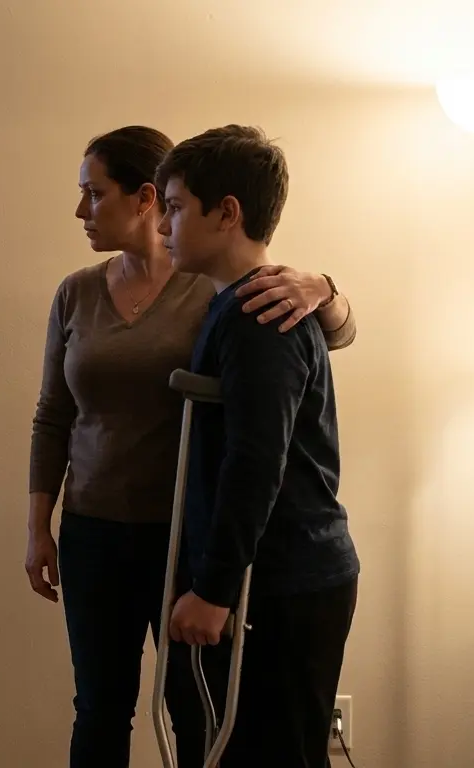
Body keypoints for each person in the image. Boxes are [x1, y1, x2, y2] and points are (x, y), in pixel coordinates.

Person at [24, 125, 358, 768]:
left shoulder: (223, 289)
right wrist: (39, 526)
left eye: (95, 193)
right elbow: (52, 415)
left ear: (145, 197)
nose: (81, 210)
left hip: (187, 534)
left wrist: (325, 286)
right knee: (100, 706)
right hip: (96, 528)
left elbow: (297, 380)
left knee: (196, 707)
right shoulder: (79, 292)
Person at [158, 124, 360, 767]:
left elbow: (256, 459)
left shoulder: (259, 316)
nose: (163, 225)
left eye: (175, 207)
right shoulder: (236, 303)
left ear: (227, 213)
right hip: (276, 574)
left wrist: (215, 589)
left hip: (283, 579)